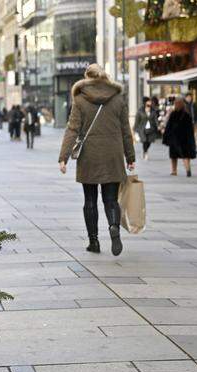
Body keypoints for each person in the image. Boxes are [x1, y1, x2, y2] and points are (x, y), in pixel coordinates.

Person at [58, 64, 135, 257]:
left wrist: (63, 157)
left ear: (87, 77)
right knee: (110, 199)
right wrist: (130, 157)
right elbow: (126, 131)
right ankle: (113, 226)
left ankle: (94, 241)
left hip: (89, 155)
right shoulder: (118, 99)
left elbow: (72, 129)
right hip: (113, 154)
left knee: (90, 200)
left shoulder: (80, 99)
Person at [163, 98, 196, 177]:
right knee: (185, 155)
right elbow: (190, 128)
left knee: (174, 156)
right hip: (185, 139)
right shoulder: (187, 115)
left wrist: (166, 137)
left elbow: (168, 127)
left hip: (175, 138)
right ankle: (188, 169)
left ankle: (174, 171)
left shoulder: (173, 114)